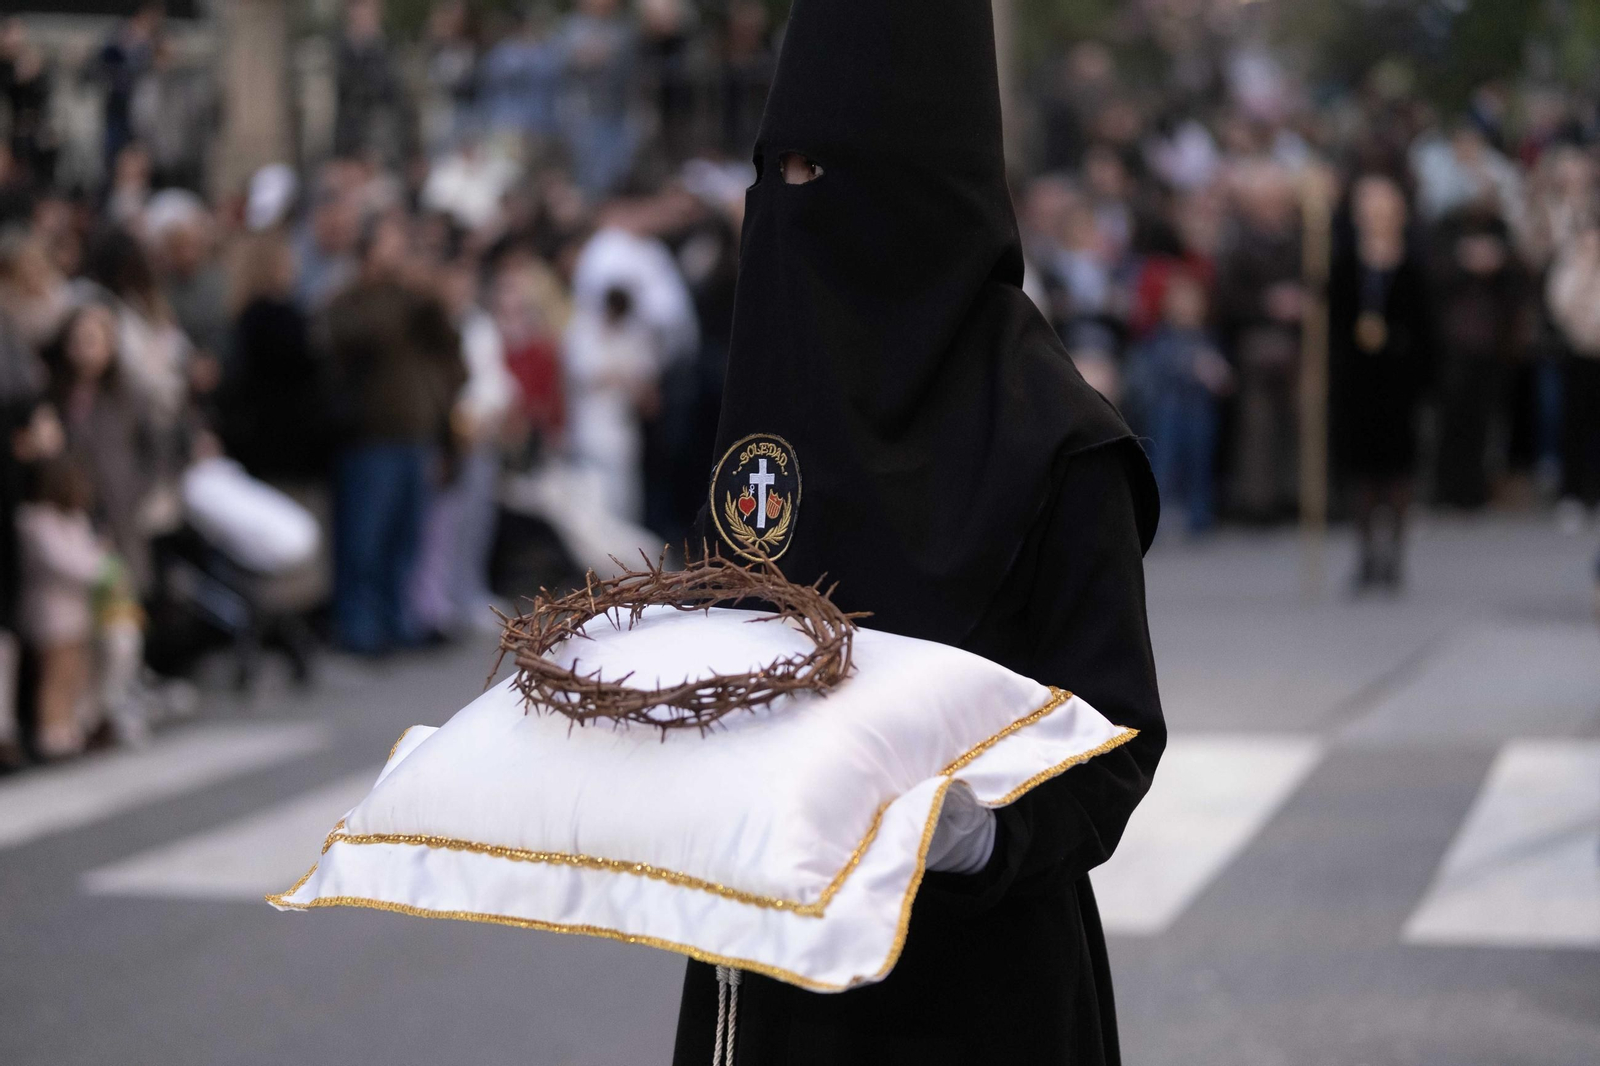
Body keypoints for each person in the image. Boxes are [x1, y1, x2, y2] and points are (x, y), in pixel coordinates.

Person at [673, 0, 1163, 1062]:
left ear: (915, 192)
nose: (786, 204)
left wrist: (987, 832)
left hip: (972, 989)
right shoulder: (774, 395)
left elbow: (1117, 729)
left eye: (820, 173)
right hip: (769, 968)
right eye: (778, 170)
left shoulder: (1056, 448)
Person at [323, 213, 465, 654]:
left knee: (408, 540)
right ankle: (360, 628)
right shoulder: (351, 299)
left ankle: (400, 620)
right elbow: (364, 334)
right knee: (367, 540)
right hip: (371, 438)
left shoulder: (415, 301)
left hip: (416, 434)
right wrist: (396, 287)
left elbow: (449, 348)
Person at [1330, 173, 1432, 592]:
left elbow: (1427, 330)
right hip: (1359, 379)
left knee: (1398, 469)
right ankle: (1366, 553)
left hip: (1399, 379)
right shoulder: (1344, 265)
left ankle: (1396, 555)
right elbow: (1333, 322)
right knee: (1362, 470)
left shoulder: (1413, 266)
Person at [1127, 268, 1232, 535]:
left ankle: (1200, 513)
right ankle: (1158, 515)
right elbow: (1158, 367)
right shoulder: (1161, 335)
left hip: (1199, 411)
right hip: (1169, 409)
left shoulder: (1208, 336)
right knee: (1164, 461)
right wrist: (1192, 367)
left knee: (1200, 459)